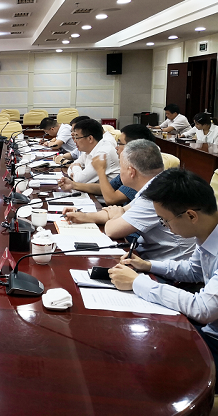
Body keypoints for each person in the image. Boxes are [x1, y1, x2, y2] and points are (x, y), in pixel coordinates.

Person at [108, 169, 218, 377]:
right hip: (208, 329)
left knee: (139, 356)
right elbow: (193, 270)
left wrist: (137, 282)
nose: (165, 226)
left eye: (164, 221)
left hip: (214, 341)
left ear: (191, 215)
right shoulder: (207, 231)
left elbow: (203, 309)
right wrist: (148, 266)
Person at [64, 139, 195, 261]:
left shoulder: (157, 194)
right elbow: (123, 210)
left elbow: (112, 230)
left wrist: (118, 215)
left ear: (131, 171)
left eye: (121, 166)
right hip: (147, 257)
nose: (119, 171)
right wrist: (84, 216)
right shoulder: (154, 184)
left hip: (166, 267)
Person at [59, 124, 155, 205]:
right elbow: (105, 188)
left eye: (119, 143)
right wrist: (73, 185)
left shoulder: (142, 174)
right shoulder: (131, 166)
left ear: (134, 147)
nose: (116, 147)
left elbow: (111, 199)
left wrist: (100, 170)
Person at [66, 119, 119, 184]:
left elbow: (79, 180)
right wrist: (76, 171)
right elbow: (71, 168)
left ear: (90, 138)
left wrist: (75, 168)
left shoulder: (103, 153)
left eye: (77, 137)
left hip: (106, 190)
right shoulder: (89, 149)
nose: (74, 141)